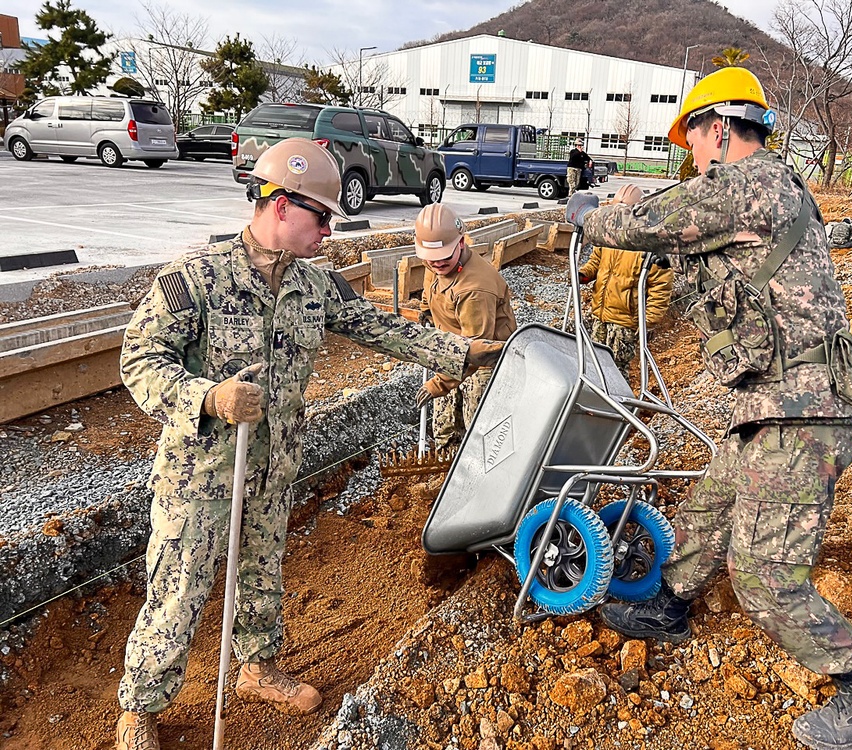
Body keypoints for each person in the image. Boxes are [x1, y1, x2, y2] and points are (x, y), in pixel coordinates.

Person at [114, 138, 502, 750]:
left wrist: (465, 353)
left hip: (273, 467)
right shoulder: (194, 281)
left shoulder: (312, 286)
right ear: (280, 205)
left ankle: (257, 666)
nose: (328, 230)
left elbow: (376, 328)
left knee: (262, 572)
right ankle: (140, 709)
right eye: (322, 217)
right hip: (201, 477)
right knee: (179, 590)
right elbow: (138, 363)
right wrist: (208, 397)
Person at [565, 68, 852, 750]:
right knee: (712, 504)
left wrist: (585, 214)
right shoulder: (773, 192)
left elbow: (647, 221)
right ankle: (669, 605)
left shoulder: (747, 183)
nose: (691, 157)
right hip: (775, 401)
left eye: (691, 140)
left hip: (805, 412)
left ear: (720, 129)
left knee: (763, 576)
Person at [415, 203, 517, 449]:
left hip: (485, 361)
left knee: (478, 430)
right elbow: (432, 288)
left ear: (461, 243)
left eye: (442, 259)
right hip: (453, 350)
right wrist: (426, 311)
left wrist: (438, 383)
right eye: (430, 260)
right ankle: (446, 464)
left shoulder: (475, 289)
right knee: (445, 426)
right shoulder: (436, 262)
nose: (436, 265)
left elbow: (475, 352)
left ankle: (476, 472)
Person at [577, 183, 673, 376]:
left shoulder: (649, 247)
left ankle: (620, 404)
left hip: (625, 323)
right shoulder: (609, 239)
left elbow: (660, 288)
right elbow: (596, 261)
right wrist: (583, 274)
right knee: (594, 362)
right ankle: (594, 401)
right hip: (600, 315)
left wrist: (647, 321)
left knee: (617, 370)